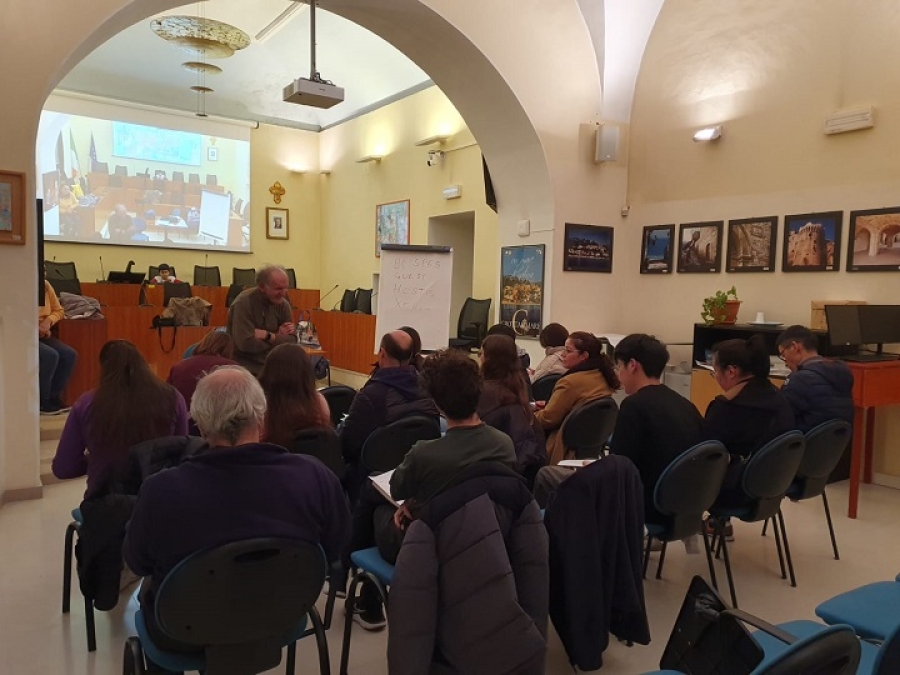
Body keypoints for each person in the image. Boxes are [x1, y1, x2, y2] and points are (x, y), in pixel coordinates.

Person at [123, 366, 350, 655]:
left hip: (184, 632)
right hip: (280, 617)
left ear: (201, 426)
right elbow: (336, 547)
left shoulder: (160, 491)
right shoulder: (315, 476)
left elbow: (138, 562)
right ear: (262, 418)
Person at [348, 349, 517, 630]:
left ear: (436, 404)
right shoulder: (504, 444)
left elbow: (396, 489)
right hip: (482, 536)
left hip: (430, 545)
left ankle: (363, 594)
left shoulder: (424, 454)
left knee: (375, 499)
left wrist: (412, 505)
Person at [533, 334, 705, 521]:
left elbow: (617, 470)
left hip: (640, 500)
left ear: (632, 365)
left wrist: (595, 467)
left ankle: (543, 531)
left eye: (619, 366)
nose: (618, 373)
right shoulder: (685, 404)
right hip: (684, 503)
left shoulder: (634, 406)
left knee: (546, 474)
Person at [52, 340, 189, 498]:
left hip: (105, 501)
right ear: (143, 364)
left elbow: (64, 468)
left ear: (103, 368)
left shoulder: (87, 403)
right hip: (159, 498)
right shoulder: (173, 398)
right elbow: (181, 454)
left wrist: (98, 458)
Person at [340, 330, 439, 502]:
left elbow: (347, 446)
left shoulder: (370, 396)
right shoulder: (428, 389)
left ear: (382, 354)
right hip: (416, 477)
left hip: (370, 480)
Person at [705, 335, 795, 510]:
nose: (715, 377)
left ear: (731, 372)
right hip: (775, 486)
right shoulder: (778, 396)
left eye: (715, 371)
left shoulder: (727, 407)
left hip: (737, 492)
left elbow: (705, 452)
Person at [534, 331, 620, 464]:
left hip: (561, 448)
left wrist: (527, 416)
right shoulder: (602, 377)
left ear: (584, 356)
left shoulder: (570, 382)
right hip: (589, 451)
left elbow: (548, 419)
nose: (562, 354)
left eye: (568, 351)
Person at [477, 334, 545, 483]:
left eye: (481, 353)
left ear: (488, 359)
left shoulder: (482, 391)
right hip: (519, 472)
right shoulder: (518, 386)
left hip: (489, 467)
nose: (479, 357)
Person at [776, 324, 854, 432]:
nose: (785, 363)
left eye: (783, 355)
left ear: (794, 347)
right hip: (837, 440)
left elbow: (780, 420)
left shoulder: (798, 380)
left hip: (805, 440)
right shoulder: (843, 372)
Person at [225, 265, 296, 376]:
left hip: (275, 367)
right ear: (262, 287)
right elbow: (245, 344)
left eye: (286, 288)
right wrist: (278, 337)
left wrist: (268, 336)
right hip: (245, 370)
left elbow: (292, 341)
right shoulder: (244, 303)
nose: (284, 293)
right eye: (278, 289)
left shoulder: (283, 303)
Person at [258, 343, 332, 447]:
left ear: (268, 372)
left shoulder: (259, 407)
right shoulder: (319, 402)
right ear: (307, 373)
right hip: (313, 456)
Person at [166, 329, 236, 412]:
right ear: (229, 348)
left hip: (185, 416)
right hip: (218, 417)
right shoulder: (233, 368)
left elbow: (167, 395)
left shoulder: (178, 366)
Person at [38, 279, 78, 415]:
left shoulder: (45, 285)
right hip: (25, 334)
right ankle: (43, 401)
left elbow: (59, 311)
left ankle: (54, 397)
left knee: (69, 354)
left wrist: (48, 322)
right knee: (50, 355)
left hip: (43, 331)